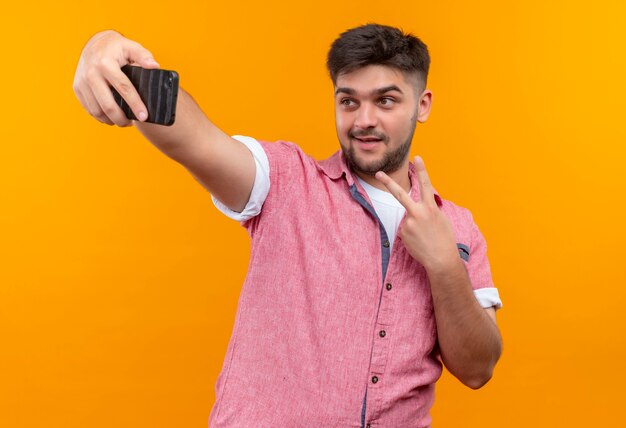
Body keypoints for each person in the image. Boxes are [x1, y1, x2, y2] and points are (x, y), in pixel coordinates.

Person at [73, 23, 503, 428]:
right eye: (348, 100)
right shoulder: (286, 181)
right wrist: (119, 59)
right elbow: (195, 139)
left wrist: (445, 263)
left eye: (385, 101)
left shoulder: (459, 228)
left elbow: (477, 369)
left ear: (422, 105)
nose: (363, 120)